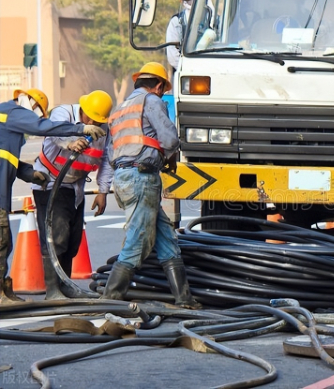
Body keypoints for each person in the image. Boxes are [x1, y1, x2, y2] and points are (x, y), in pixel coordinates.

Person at [101, 62, 200, 309]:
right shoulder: (151, 101)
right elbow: (169, 139)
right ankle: (109, 299)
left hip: (124, 177)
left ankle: (184, 299)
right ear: (157, 86)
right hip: (141, 177)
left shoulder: (121, 108)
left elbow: (111, 151)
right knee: (139, 241)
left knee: (167, 239)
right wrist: (166, 157)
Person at [0, 88, 106, 304]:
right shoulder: (13, 112)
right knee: (2, 242)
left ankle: (4, 290)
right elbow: (44, 127)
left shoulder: (9, 128)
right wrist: (79, 130)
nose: (36, 117)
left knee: (4, 243)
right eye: (38, 112)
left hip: (10, 191)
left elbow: (8, 160)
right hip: (28, 189)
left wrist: (29, 174)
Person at [32, 90, 114, 299]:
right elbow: (55, 131)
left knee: (72, 239)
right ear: (83, 111)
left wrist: (103, 191)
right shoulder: (64, 114)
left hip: (74, 187)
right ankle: (52, 290)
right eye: (92, 119)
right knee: (55, 237)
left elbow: (106, 161)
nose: (95, 123)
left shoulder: (105, 130)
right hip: (50, 182)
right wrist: (69, 141)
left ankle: (65, 284)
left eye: (99, 121)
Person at [166, 0, 192, 73]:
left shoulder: (214, 21)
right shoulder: (176, 22)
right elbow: (173, 57)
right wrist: (189, 70)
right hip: (184, 73)